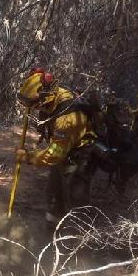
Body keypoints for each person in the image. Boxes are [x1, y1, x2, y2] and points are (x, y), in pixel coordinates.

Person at [15, 68, 97, 224]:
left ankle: (79, 236)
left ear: (45, 98)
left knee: (76, 195)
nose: (33, 108)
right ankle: (52, 226)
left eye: (34, 104)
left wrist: (28, 157)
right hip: (63, 148)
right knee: (54, 191)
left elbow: (54, 155)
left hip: (79, 154)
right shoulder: (52, 95)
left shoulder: (66, 118)